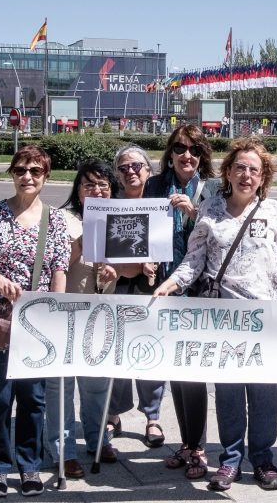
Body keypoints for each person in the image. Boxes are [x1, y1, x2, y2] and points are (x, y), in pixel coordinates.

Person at [152, 138, 277, 492]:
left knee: (266, 392)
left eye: (254, 169)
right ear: (227, 171)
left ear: (263, 176)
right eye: (240, 167)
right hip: (222, 319)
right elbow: (194, 260)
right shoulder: (209, 209)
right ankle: (230, 459)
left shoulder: (272, 211)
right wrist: (172, 284)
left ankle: (264, 459)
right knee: (228, 394)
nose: (246, 175)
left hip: (265, 318)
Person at [0, 146, 71, 498]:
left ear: (46, 177)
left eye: (36, 171)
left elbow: (60, 270)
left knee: (33, 398)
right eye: (21, 170)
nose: (28, 176)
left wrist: (55, 315)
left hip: (36, 324)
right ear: (12, 174)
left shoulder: (55, 220)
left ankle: (29, 467)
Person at [145, 125, 219, 479]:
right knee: (175, 370)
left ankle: (199, 446)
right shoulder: (156, 185)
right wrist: (144, 258)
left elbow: (223, 232)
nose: (186, 155)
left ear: (203, 154)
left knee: (194, 372)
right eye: (179, 148)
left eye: (194, 149)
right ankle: (188, 442)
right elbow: (143, 231)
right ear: (170, 153)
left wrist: (193, 213)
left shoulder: (215, 188)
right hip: (165, 286)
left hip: (200, 291)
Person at [44, 161, 122, 479]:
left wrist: (118, 269)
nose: (97, 190)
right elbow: (53, 263)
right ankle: (64, 451)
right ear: (77, 190)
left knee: (97, 385)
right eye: (89, 185)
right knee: (60, 387)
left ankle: (98, 439)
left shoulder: (121, 220)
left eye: (103, 185)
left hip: (101, 314)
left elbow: (130, 266)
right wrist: (81, 242)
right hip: (64, 314)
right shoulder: (61, 219)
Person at [105, 145, 167, 448]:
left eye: (137, 166)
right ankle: (113, 412)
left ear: (149, 170)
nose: (131, 171)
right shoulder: (109, 204)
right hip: (116, 284)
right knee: (116, 349)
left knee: (149, 350)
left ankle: (152, 416)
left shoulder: (160, 203)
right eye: (124, 167)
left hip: (150, 286)